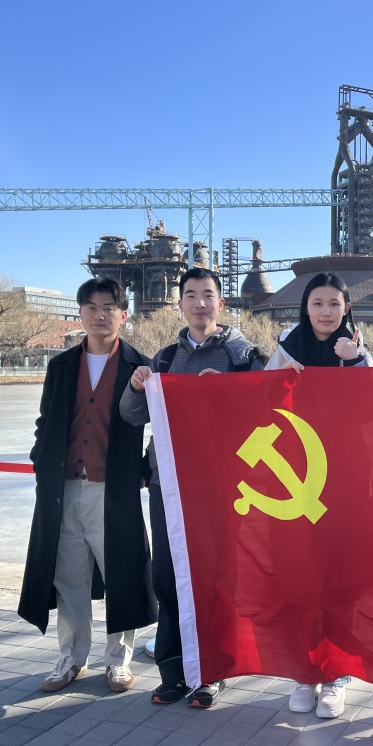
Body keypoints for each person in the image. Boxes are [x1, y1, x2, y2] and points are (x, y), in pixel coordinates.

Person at [119, 267, 265, 709]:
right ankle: (174, 671)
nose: (199, 303)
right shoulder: (164, 359)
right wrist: (136, 387)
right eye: (191, 295)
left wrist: (229, 393)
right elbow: (132, 415)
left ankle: (213, 671)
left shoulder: (245, 356)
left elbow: (267, 413)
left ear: (221, 303)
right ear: (180, 303)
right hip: (167, 485)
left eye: (207, 295)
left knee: (215, 578)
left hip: (221, 487)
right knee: (168, 577)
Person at [18, 276, 156, 694]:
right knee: (69, 577)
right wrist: (41, 461)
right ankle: (72, 657)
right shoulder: (61, 366)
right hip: (62, 488)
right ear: (80, 313)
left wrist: (143, 471)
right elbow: (45, 421)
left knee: (121, 574)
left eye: (108, 307)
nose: (100, 315)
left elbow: (160, 427)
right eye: (91, 307)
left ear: (123, 315)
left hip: (112, 490)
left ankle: (118, 661)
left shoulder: (140, 366)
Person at [265, 272, 373, 719]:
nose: (326, 312)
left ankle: (337, 674)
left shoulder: (358, 348)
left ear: (346, 307)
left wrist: (355, 362)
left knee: (341, 577)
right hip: (297, 477)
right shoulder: (286, 349)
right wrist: (276, 381)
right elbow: (257, 406)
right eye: (317, 303)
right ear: (305, 308)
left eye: (334, 303)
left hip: (346, 478)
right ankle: (303, 671)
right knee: (301, 576)